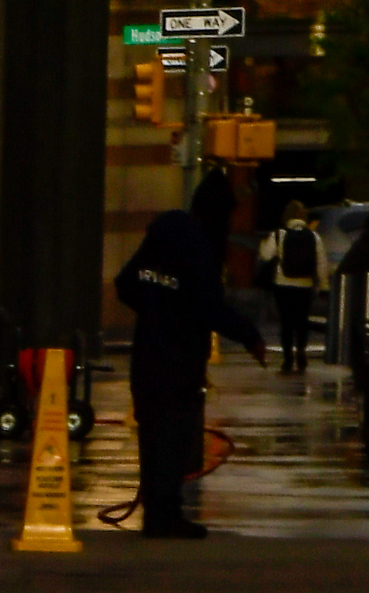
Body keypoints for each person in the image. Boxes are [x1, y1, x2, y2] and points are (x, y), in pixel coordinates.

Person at [114, 208, 267, 539]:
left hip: (146, 359)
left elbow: (124, 285)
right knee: (174, 437)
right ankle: (166, 514)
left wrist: (155, 308)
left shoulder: (151, 250)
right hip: (180, 360)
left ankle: (155, 513)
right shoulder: (198, 251)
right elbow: (211, 308)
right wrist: (250, 336)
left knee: (152, 436)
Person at [260, 199, 329, 374]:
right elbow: (322, 263)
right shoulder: (313, 236)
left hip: (283, 285)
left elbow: (266, 255)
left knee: (286, 323)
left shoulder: (279, 234)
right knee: (302, 321)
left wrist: (263, 243)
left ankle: (288, 359)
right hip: (305, 285)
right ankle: (301, 352)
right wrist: (324, 286)